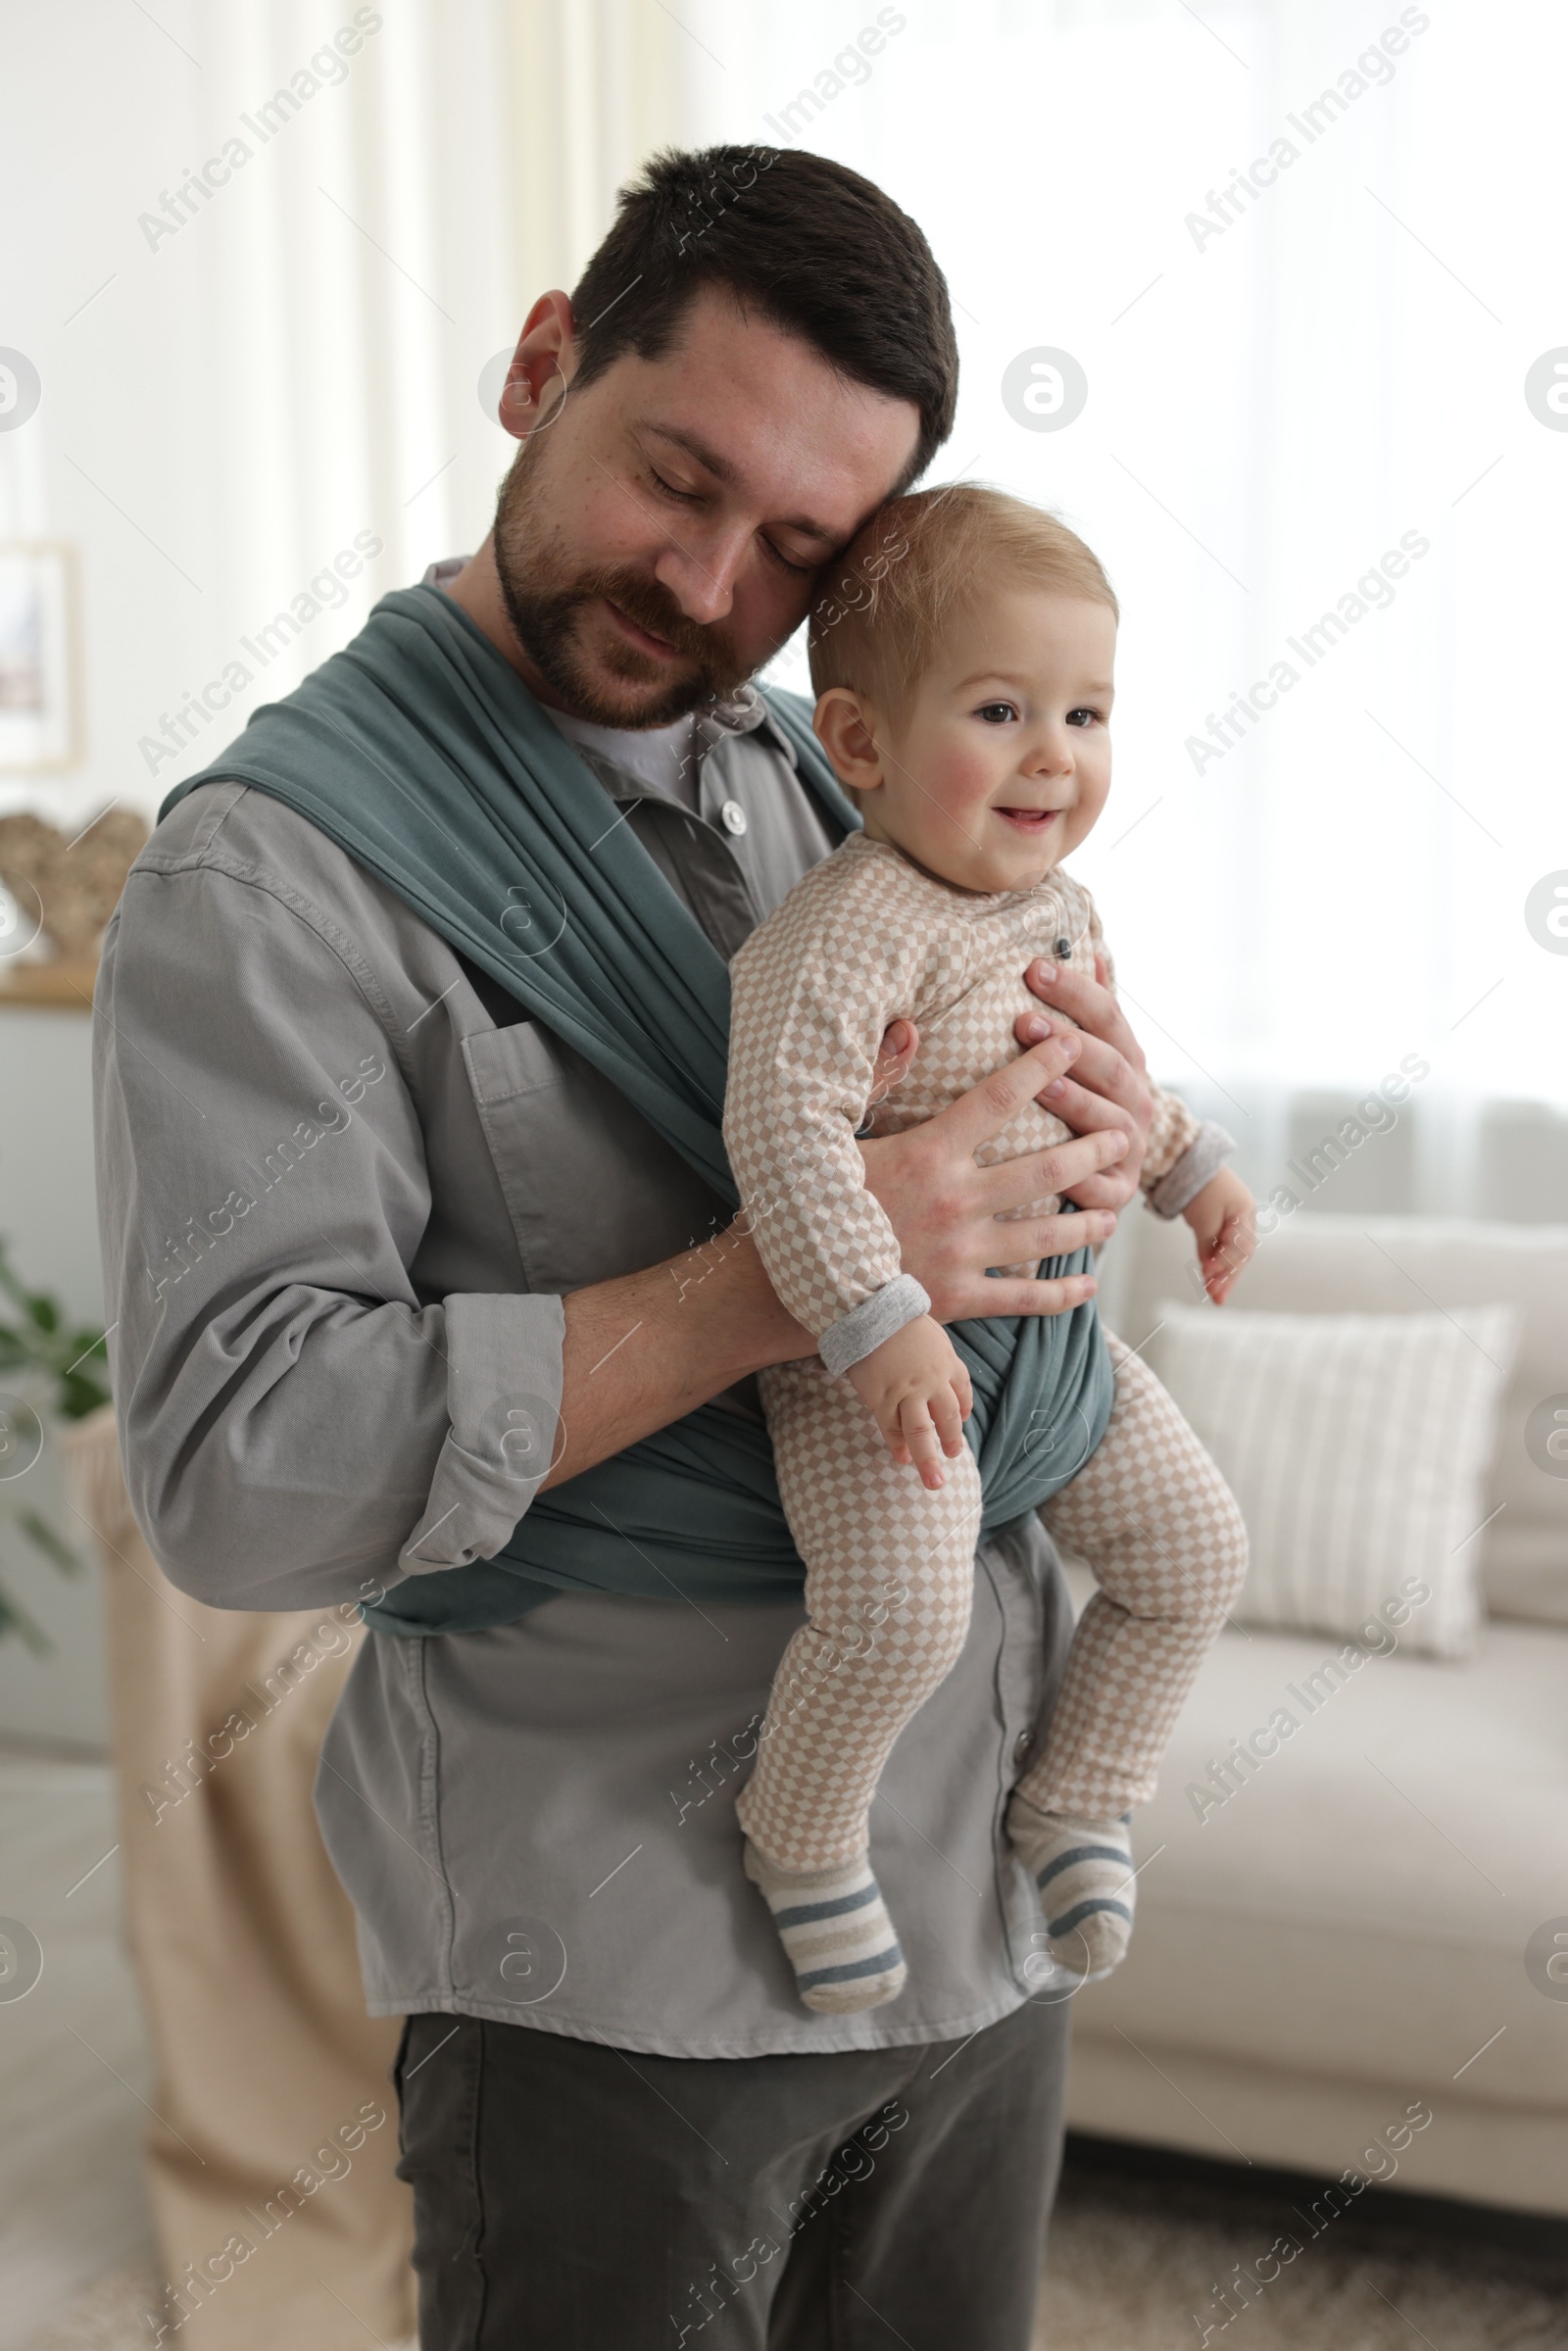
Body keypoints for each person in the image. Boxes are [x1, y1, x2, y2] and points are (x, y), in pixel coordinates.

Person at [94, 145, 1191, 2348]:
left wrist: (1096, 1114)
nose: (707, 582)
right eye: (672, 476)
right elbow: (238, 1470)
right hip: (608, 1947)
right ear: (539, 367)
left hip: (966, 1880)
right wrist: (791, 1272)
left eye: (796, 546)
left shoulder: (842, 783)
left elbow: (1018, 1189)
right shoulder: (271, 879)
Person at [725, 485, 1252, 2015]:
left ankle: (1077, 1797)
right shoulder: (842, 935)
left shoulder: (1063, 904)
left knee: (1196, 1554)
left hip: (1063, 1344)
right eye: (1005, 708)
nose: (1056, 755)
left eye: (1087, 713)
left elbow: (1102, 1082)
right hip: (879, 1366)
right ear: (863, 744)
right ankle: (802, 1833)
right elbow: (783, 1137)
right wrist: (877, 1322)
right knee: (903, 1607)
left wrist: (1192, 1167)